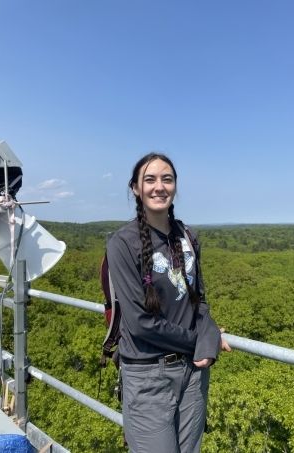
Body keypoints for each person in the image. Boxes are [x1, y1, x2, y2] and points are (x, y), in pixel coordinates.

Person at [107, 153, 231, 453]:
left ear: (175, 186)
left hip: (194, 372)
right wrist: (199, 342)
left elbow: (197, 300)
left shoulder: (187, 236)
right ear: (135, 188)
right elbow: (139, 323)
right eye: (149, 179)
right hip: (148, 375)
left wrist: (209, 330)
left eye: (167, 179)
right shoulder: (122, 243)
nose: (159, 186)